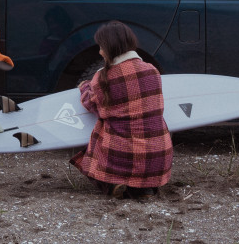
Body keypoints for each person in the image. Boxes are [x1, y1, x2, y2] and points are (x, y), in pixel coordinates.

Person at [70, 21, 173, 198]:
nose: (100, 52)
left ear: (109, 47)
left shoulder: (103, 77)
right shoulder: (152, 71)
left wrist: (84, 87)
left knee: (95, 156)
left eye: (101, 47)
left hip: (121, 157)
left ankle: (111, 187)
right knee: (140, 160)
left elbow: (92, 104)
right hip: (159, 155)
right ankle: (145, 189)